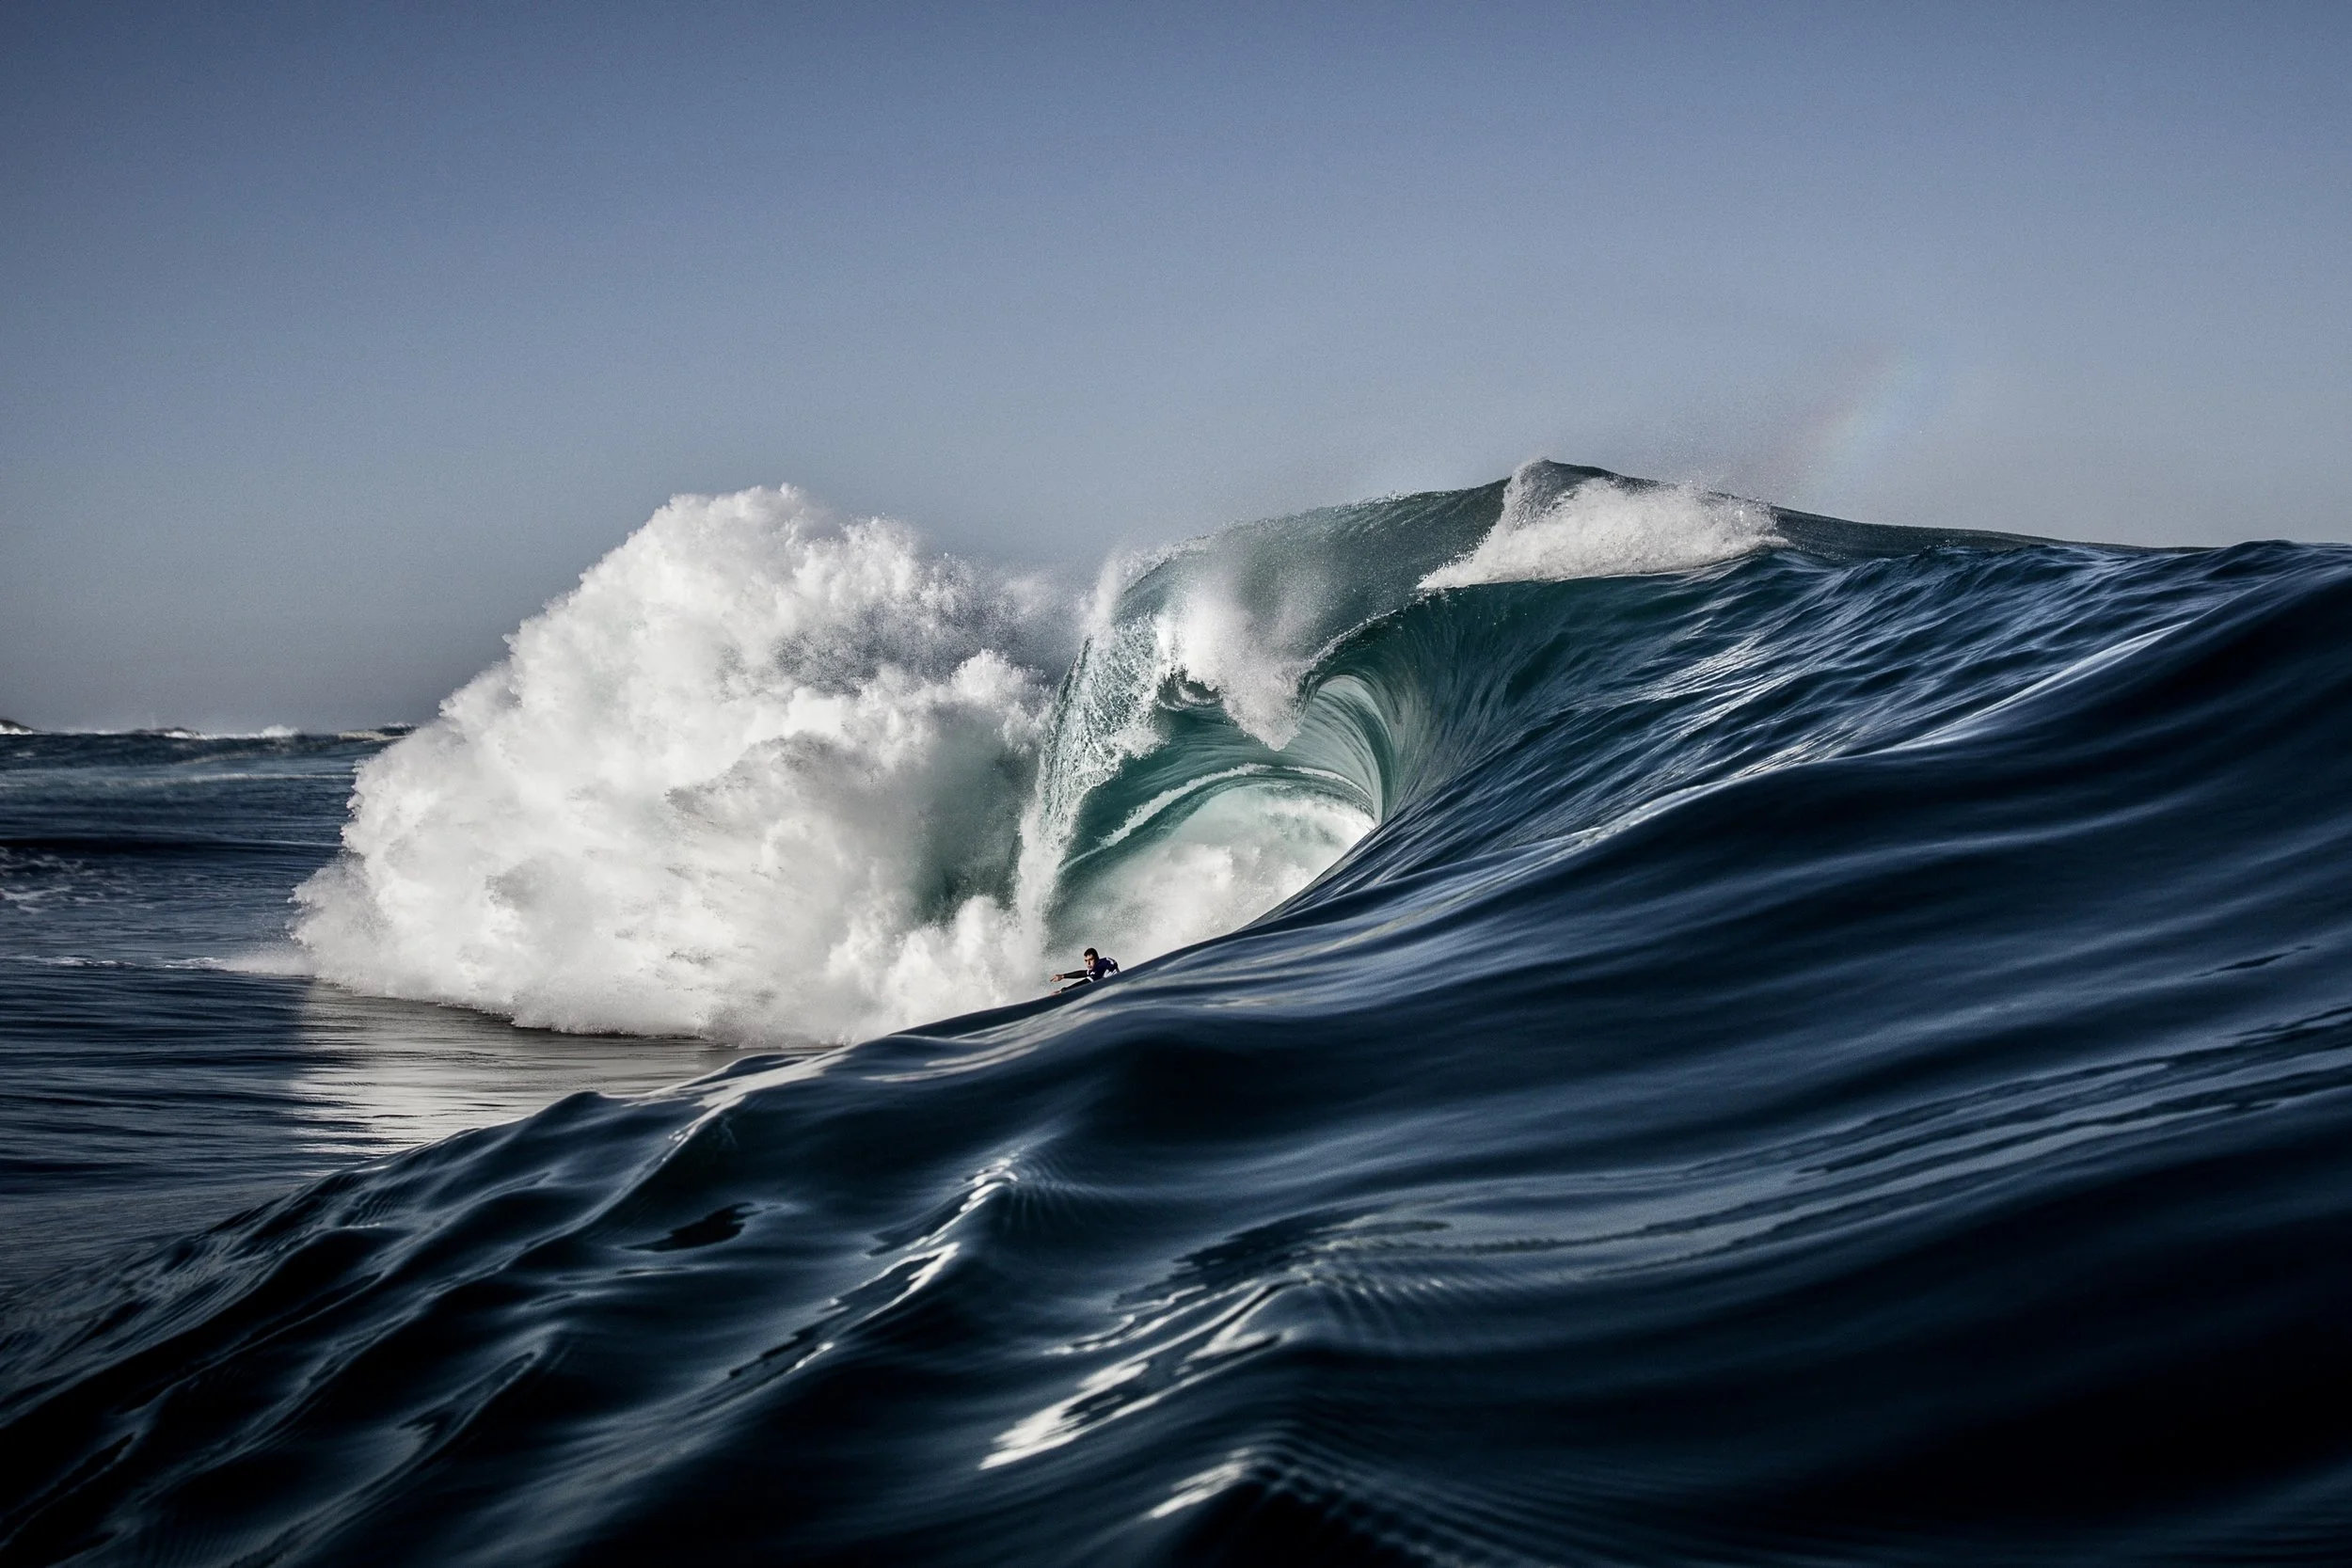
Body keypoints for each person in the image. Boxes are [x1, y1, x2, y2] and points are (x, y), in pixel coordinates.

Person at [1051, 948, 1120, 992]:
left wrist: (1064, 990)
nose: (1088, 963)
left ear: (1097, 958)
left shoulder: (1101, 966)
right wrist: (1063, 976)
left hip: (1118, 987)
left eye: (1091, 960)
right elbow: (1082, 973)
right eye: (1086, 961)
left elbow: (1087, 981)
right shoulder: (1097, 966)